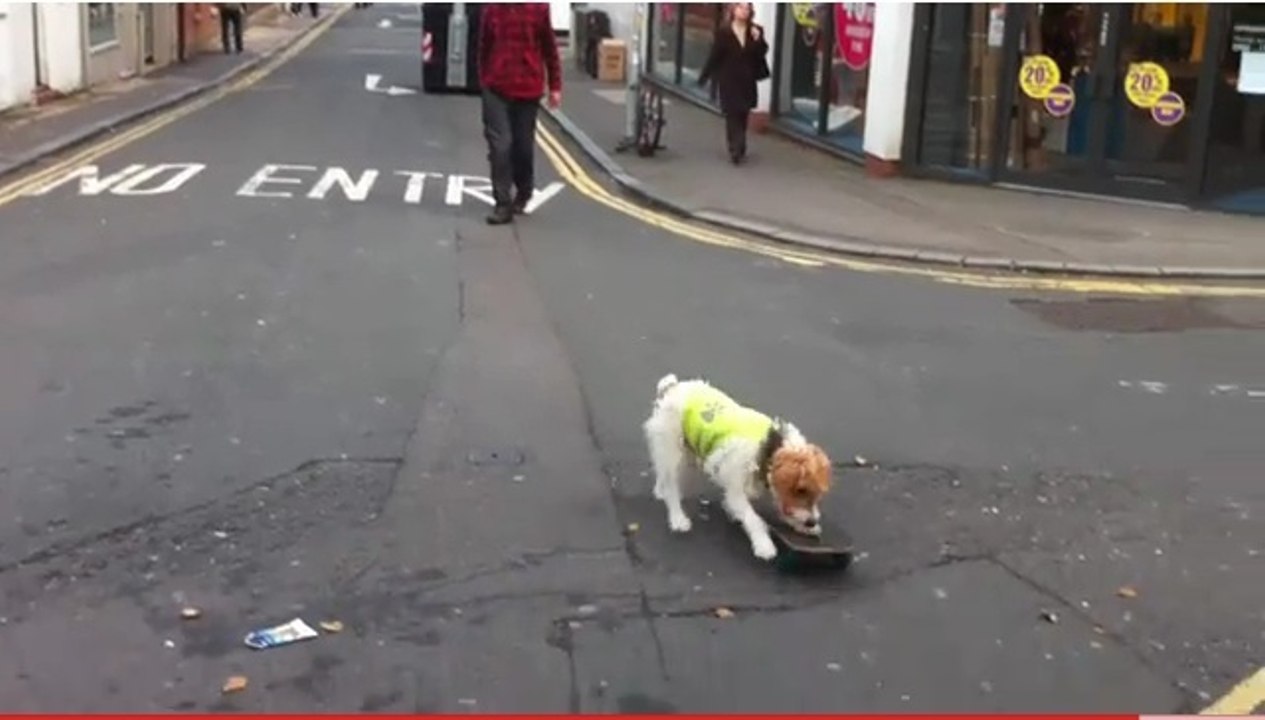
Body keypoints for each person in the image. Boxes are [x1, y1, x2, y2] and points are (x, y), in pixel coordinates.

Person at [477, 3, 562, 225]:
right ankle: (502, 204)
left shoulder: (539, 9)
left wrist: (555, 86)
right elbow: (484, 47)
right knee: (500, 145)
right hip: (496, 88)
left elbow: (549, 49)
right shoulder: (492, 9)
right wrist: (484, 80)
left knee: (522, 149)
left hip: (528, 89)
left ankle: (524, 191)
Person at [698, 3, 769, 164]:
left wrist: (758, 39)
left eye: (747, 9)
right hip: (729, 78)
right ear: (733, 10)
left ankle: (740, 143)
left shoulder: (755, 30)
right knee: (732, 113)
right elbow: (715, 56)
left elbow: (762, 52)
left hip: (747, 79)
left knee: (743, 113)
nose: (744, 11)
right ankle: (734, 148)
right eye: (741, 7)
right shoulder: (724, 32)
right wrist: (704, 77)